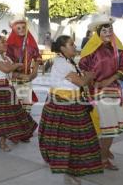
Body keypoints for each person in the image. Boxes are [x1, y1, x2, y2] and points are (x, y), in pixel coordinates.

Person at [38, 35, 103, 185]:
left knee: (74, 139)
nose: (75, 46)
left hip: (70, 103)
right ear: (62, 48)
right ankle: (69, 173)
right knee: (69, 140)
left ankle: (71, 170)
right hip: (63, 105)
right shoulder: (62, 63)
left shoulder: (69, 61)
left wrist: (87, 76)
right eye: (71, 44)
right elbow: (80, 81)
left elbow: (79, 81)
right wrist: (89, 75)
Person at [79, 14, 123, 170]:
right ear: (97, 32)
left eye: (110, 30)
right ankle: (102, 157)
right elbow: (83, 70)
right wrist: (93, 82)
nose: (108, 33)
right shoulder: (90, 50)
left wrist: (109, 80)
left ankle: (104, 150)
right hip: (96, 93)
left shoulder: (118, 48)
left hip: (114, 91)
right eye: (105, 31)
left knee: (112, 126)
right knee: (105, 126)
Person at [0, 35, 38, 152]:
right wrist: (18, 65)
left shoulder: (5, 57)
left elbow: (10, 74)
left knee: (7, 118)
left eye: (5, 41)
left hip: (6, 88)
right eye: (2, 42)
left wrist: (28, 73)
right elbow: (6, 69)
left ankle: (3, 142)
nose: (5, 43)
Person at [7, 15, 42, 113]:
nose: (21, 30)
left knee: (27, 106)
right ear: (14, 29)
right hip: (13, 79)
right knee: (15, 106)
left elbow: (38, 58)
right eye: (18, 28)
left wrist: (34, 73)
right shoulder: (9, 45)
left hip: (28, 78)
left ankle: (25, 126)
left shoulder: (31, 42)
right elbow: (6, 64)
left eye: (23, 27)